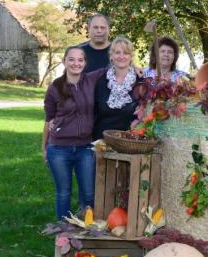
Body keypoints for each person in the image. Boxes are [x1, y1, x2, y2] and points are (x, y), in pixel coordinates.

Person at [42, 47, 106, 220]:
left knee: (89, 192)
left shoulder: (91, 79)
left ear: (85, 63)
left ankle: (89, 229)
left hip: (85, 147)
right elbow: (48, 120)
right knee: (63, 192)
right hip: (59, 149)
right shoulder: (55, 87)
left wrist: (137, 68)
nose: (76, 63)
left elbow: (114, 66)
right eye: (71, 59)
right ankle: (63, 233)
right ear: (64, 61)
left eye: (80, 60)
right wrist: (44, 148)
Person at [93, 36, 144, 140]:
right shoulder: (101, 81)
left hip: (130, 142)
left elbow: (146, 112)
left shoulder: (141, 82)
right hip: (102, 142)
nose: (121, 56)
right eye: (117, 52)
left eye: (126, 53)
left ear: (131, 56)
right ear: (111, 55)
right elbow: (93, 112)